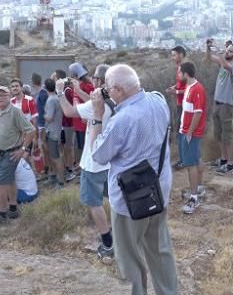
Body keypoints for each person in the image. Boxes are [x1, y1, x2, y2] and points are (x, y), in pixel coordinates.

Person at [91, 64, 178, 294]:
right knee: (160, 249)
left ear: (119, 90)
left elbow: (98, 156)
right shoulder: (159, 101)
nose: (107, 94)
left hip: (130, 201)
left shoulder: (121, 121)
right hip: (159, 191)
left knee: (128, 258)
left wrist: (97, 117)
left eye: (109, 90)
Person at [57, 64, 115, 260]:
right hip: (110, 160)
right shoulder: (114, 101)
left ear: (100, 81)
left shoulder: (96, 106)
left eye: (95, 79)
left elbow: (69, 112)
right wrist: (79, 90)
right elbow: (88, 105)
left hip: (93, 162)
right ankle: (119, 233)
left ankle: (107, 242)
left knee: (93, 202)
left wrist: (59, 92)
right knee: (113, 199)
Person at [0, 85, 35, 224]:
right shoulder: (1, 111)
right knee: (10, 181)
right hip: (3, 153)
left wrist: (23, 149)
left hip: (12, 153)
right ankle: (13, 209)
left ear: (9, 96)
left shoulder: (15, 111)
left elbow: (31, 130)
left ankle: (2, 215)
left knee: (0, 183)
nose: (1, 98)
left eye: (3, 95)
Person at [204, 39, 233, 174]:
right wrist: (208, 48)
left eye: (231, 51)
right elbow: (209, 59)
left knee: (227, 135)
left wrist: (219, 51)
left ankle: (230, 163)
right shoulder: (223, 62)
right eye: (228, 50)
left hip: (227, 104)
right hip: (217, 103)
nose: (228, 52)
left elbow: (226, 65)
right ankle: (223, 159)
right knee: (219, 134)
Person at [176, 62, 207, 214]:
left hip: (191, 133)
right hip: (186, 130)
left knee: (190, 165)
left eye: (179, 72)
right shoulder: (189, 87)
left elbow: (198, 112)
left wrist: (189, 132)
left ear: (186, 73)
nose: (178, 75)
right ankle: (199, 187)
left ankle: (194, 197)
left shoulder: (197, 89)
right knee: (196, 158)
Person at [165, 46, 188, 168]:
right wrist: (174, 87)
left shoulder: (185, 68)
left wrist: (177, 92)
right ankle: (182, 159)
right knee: (179, 131)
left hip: (185, 104)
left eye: (174, 55)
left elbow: (190, 87)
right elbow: (181, 84)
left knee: (182, 131)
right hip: (180, 104)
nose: (173, 58)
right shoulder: (180, 68)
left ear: (180, 54)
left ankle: (184, 160)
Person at [43, 78, 65, 188]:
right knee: (53, 156)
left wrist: (43, 115)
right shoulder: (56, 98)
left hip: (53, 133)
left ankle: (60, 182)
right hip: (55, 131)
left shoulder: (51, 100)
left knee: (56, 158)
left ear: (45, 87)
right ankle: (54, 176)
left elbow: (50, 117)